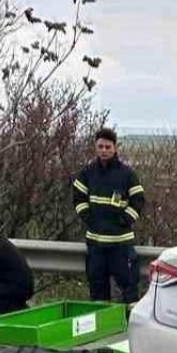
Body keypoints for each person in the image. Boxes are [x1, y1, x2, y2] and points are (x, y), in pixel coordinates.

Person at [72, 128, 145, 303]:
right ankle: (101, 328)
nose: (104, 150)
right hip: (96, 245)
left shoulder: (127, 174)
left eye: (107, 147)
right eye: (100, 146)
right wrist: (89, 218)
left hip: (121, 245)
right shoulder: (87, 173)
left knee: (128, 289)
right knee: (97, 291)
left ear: (115, 148)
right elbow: (77, 198)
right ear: (95, 148)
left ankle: (129, 325)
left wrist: (124, 220)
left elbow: (138, 200)